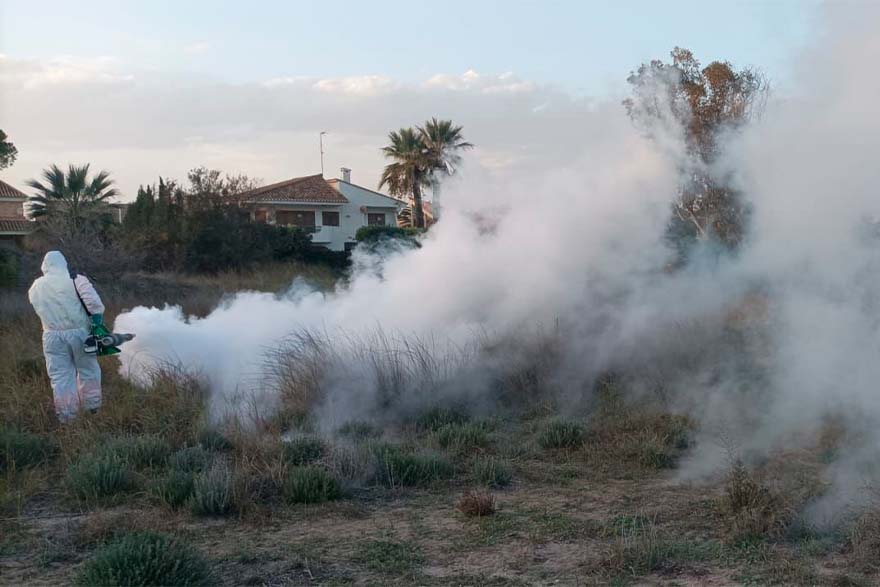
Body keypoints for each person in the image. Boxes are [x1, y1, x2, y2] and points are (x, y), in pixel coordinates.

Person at [28, 251, 106, 422]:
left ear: (44, 266)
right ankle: (92, 408)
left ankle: (67, 417)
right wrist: (97, 324)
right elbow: (95, 305)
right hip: (80, 333)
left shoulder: (36, 286)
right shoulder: (76, 280)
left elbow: (37, 306)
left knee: (60, 376)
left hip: (51, 336)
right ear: (63, 263)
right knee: (88, 369)